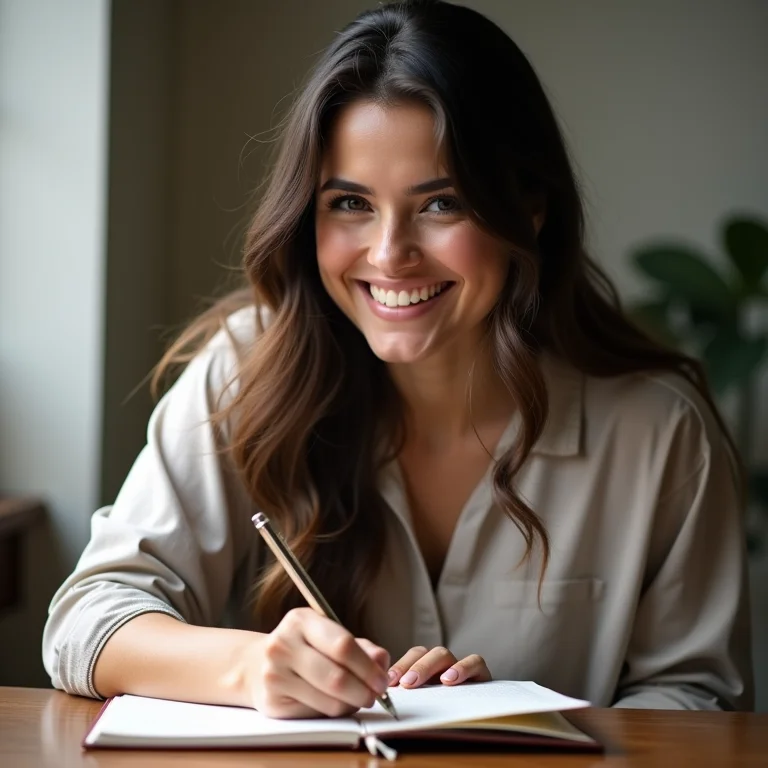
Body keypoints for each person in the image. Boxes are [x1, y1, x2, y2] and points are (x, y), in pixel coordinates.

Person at [42, 0, 753, 716]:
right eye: (351, 203)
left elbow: (700, 699)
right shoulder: (246, 371)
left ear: (529, 206)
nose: (389, 255)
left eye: (441, 204)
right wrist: (251, 667)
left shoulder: (661, 432)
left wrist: (519, 720)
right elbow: (85, 623)